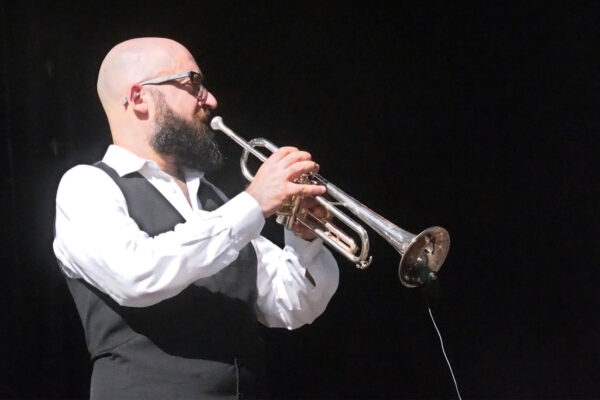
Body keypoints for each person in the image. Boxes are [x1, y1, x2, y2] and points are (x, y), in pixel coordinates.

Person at [53, 37, 339, 399]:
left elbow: (291, 306)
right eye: (193, 83)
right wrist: (252, 204)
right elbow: (137, 275)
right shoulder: (86, 185)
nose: (211, 100)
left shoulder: (216, 200)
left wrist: (305, 238)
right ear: (139, 97)